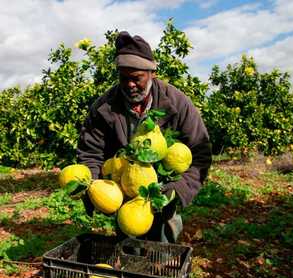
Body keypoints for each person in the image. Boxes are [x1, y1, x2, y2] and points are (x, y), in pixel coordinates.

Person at [77, 31, 212, 243]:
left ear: (152, 73)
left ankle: (164, 264)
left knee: (164, 245)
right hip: (125, 192)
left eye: (136, 78)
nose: (130, 84)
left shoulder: (177, 103)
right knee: (129, 242)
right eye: (124, 78)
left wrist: (177, 190)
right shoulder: (104, 108)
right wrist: (97, 190)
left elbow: (200, 151)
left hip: (163, 190)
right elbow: (90, 153)